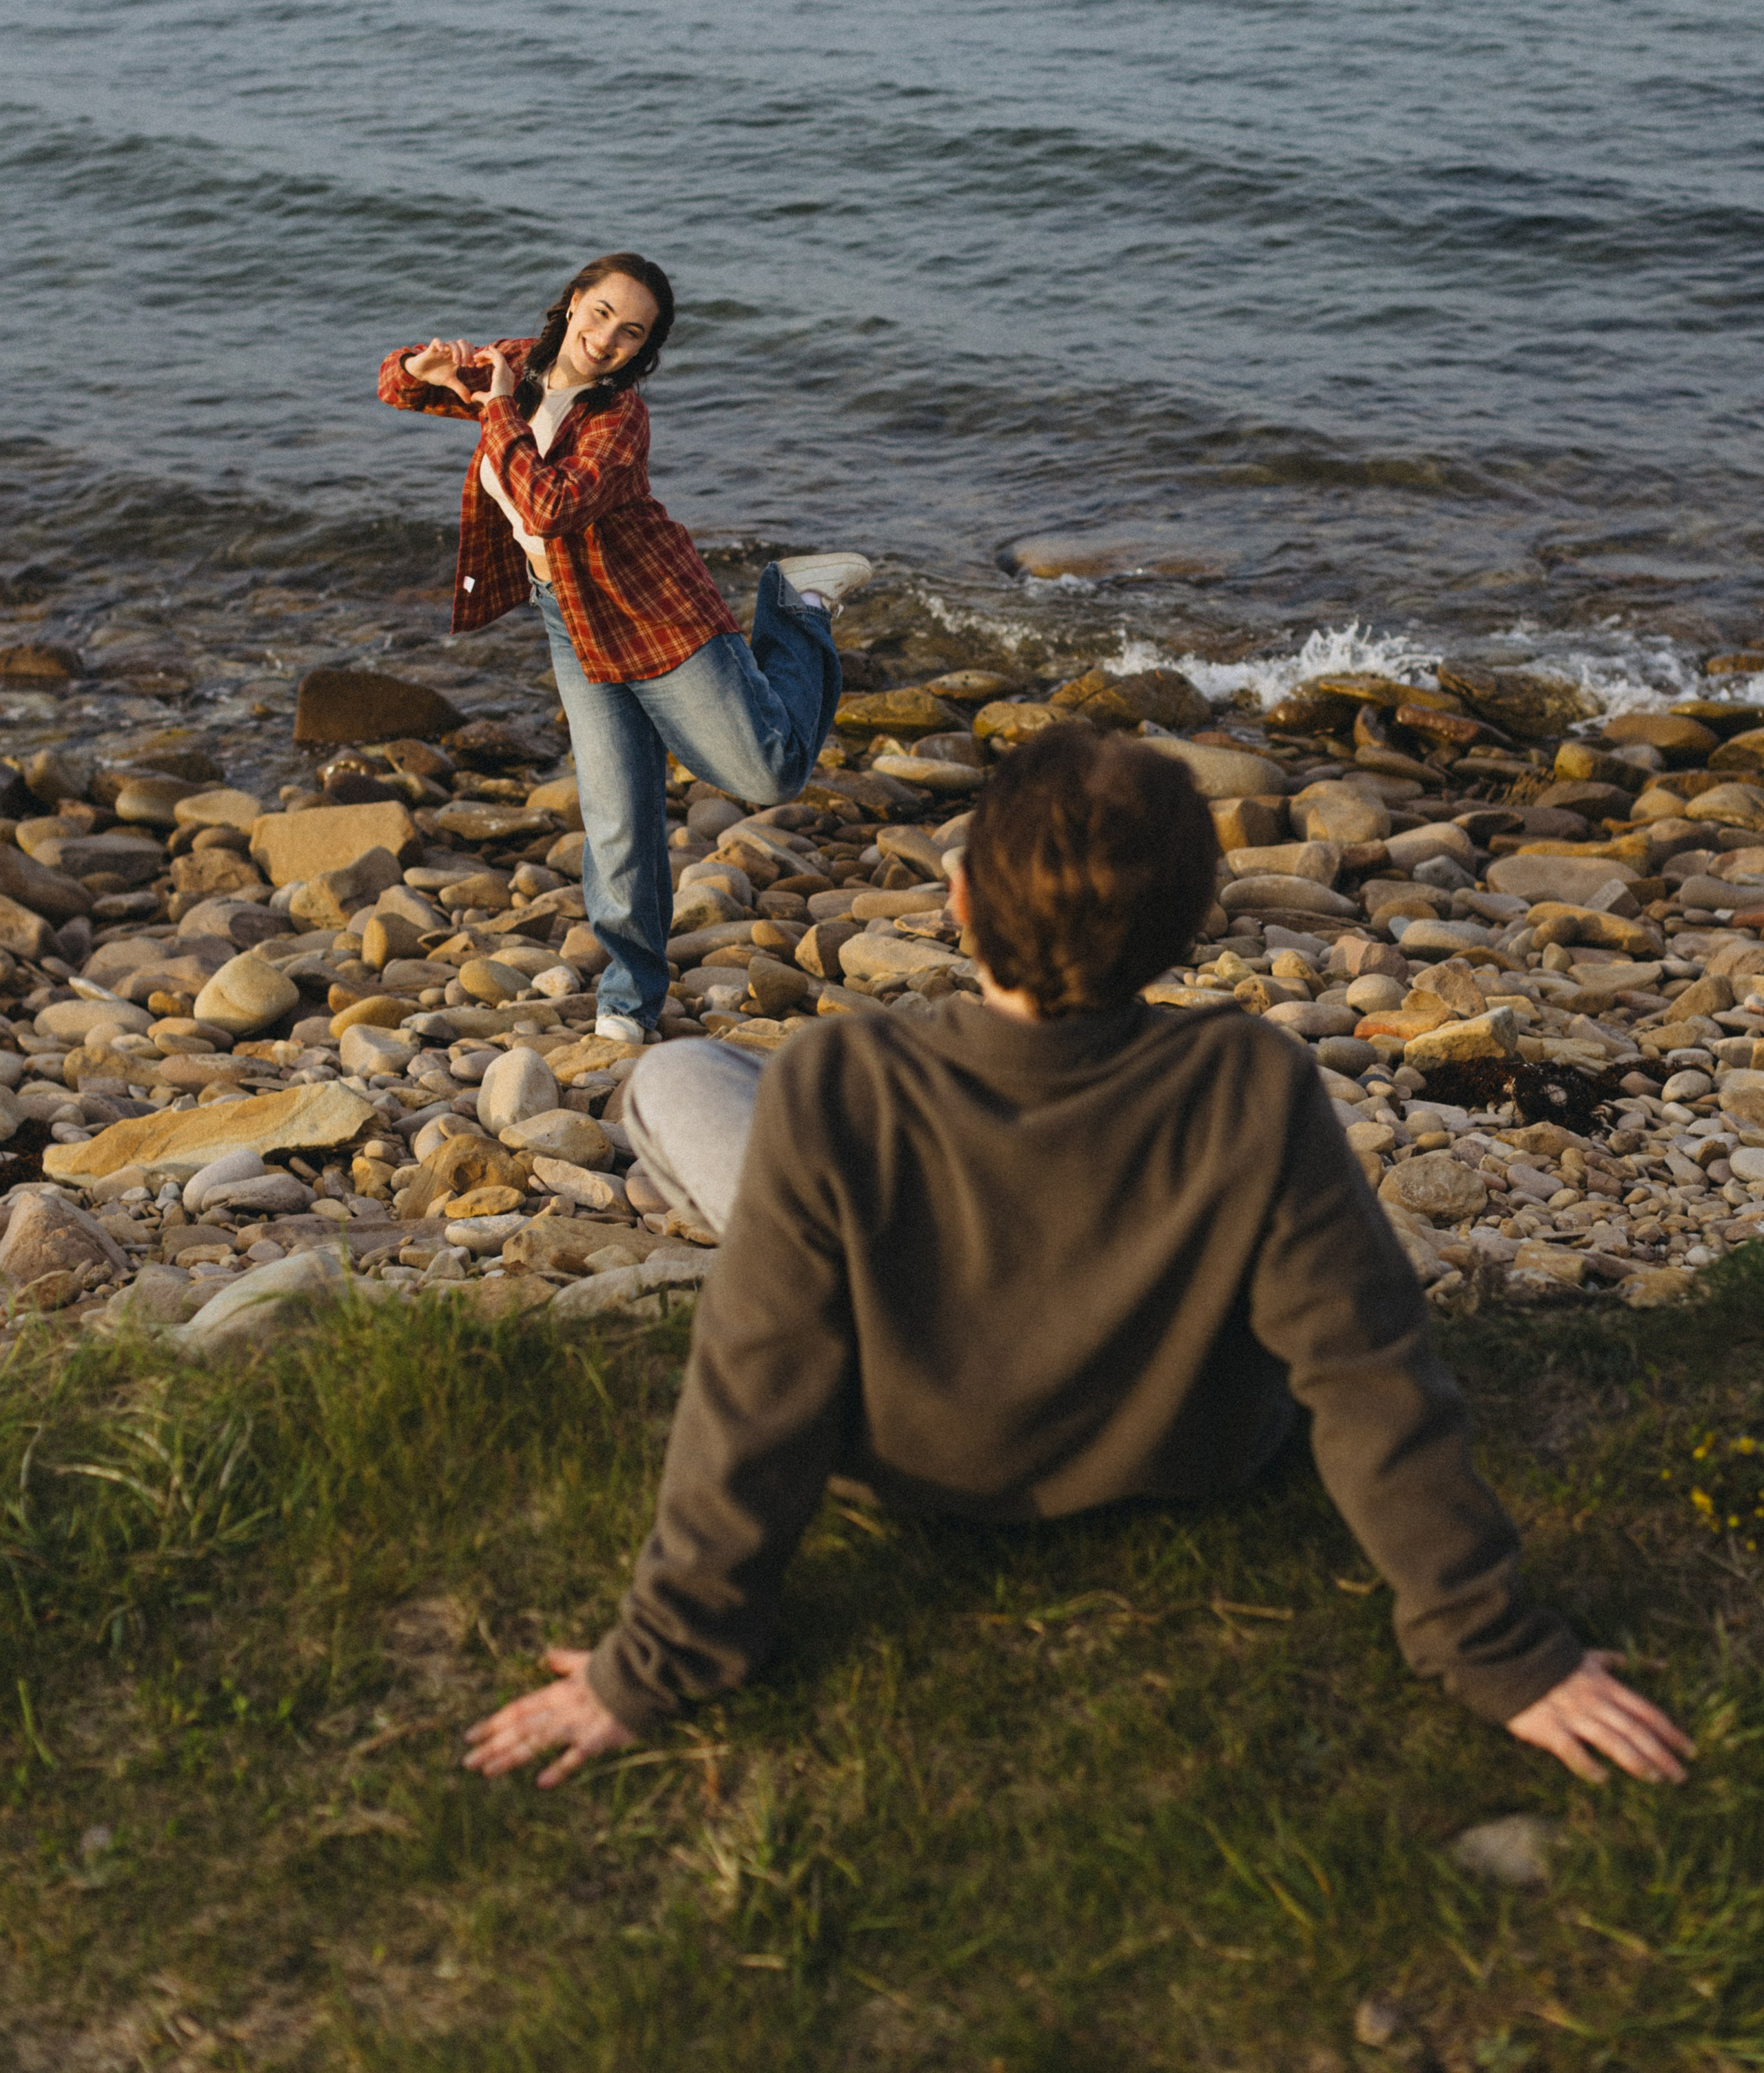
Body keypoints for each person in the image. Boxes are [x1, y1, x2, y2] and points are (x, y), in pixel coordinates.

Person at [462, 725, 1693, 1792]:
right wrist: (1496, 1650)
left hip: (904, 1456)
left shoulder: (844, 1086)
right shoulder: (1250, 1084)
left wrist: (656, 1665)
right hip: (1188, 1454)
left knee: (674, 1075)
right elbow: (1373, 1380)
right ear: (1185, 929)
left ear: (958, 900)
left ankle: (818, 1229)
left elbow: (753, 1390)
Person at [378, 252, 870, 1042]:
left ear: (642, 353)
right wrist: (425, 366)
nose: (606, 340)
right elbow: (395, 386)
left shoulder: (618, 419)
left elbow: (548, 505)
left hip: (655, 611)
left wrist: (499, 407)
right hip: (567, 619)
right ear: (573, 304)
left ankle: (793, 605)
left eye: (630, 335)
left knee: (770, 772)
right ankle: (628, 1001)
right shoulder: (514, 368)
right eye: (600, 314)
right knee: (617, 818)